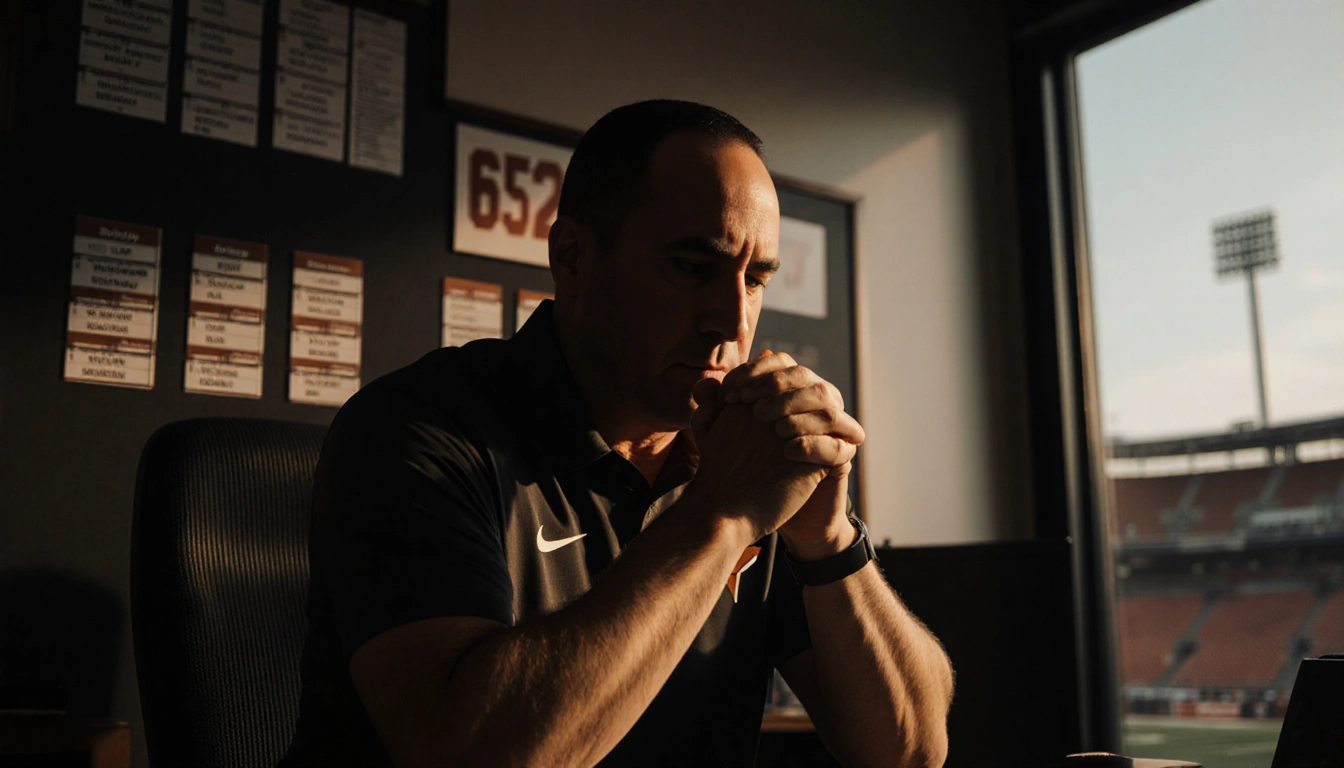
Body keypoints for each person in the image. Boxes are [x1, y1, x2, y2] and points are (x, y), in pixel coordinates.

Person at [279, 100, 953, 768]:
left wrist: (828, 540)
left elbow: (911, 750)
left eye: (753, 279)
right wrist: (719, 517)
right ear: (573, 258)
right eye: (694, 268)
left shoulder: (739, 452)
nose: (731, 319)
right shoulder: (419, 431)